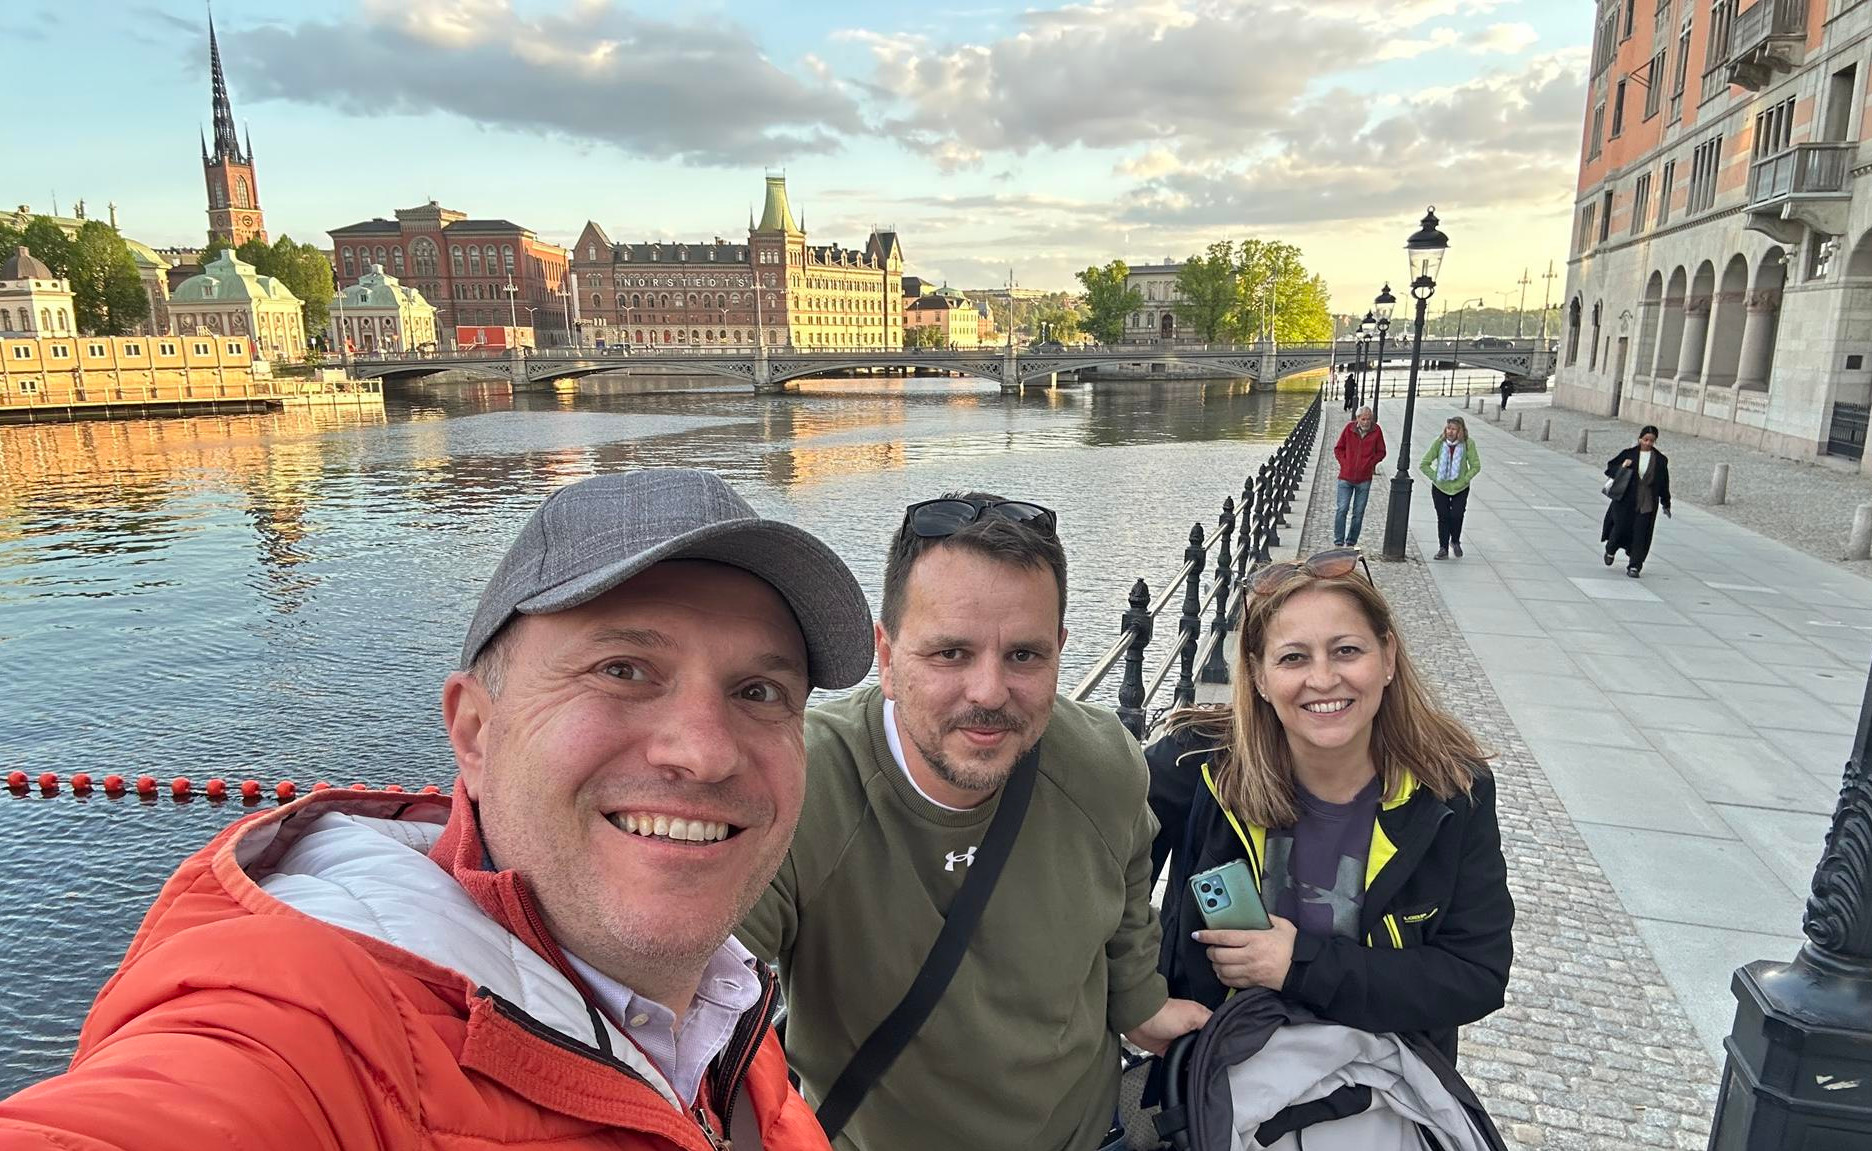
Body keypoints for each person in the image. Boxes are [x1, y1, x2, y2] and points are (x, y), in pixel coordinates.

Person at [0, 468, 877, 1151]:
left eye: (758, 691)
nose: (705, 749)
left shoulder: (724, 1011)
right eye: (623, 669)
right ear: (475, 732)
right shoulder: (310, 1033)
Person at [738, 492, 1210, 1151]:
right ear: (886, 656)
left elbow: (1127, 890)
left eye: (1024, 656)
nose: (989, 691)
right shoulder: (799, 786)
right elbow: (690, 978)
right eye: (951, 653)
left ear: (1060, 651)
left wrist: (1140, 1001)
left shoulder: (1102, 762)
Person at [1145, 549, 1513, 1064]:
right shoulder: (1196, 765)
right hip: (1218, 1079)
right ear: (1258, 676)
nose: (1322, 679)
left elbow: (1477, 975)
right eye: (1293, 658)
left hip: (1379, 1084)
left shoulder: (1452, 790)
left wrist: (1300, 965)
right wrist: (1136, 1001)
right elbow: (1089, 874)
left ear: (1387, 658)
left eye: (1346, 651)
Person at [1603, 424, 1673, 578]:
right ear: (1640, 438)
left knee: (1641, 533)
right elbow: (1610, 468)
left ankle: (1634, 565)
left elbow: (1664, 483)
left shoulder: (1660, 460)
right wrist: (1623, 466)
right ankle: (1610, 549)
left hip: (1647, 501)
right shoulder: (1628, 454)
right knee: (1620, 527)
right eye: (1646, 439)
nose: (1648, 443)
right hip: (1625, 500)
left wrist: (1666, 502)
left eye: (1651, 441)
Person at [1420, 416, 1481, 560]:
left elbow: (1476, 466)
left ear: (1460, 431)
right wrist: (1435, 477)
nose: (1450, 432)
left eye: (1454, 429)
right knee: (1443, 516)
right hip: (1440, 486)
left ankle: (1455, 541)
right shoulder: (1439, 443)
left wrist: (1464, 479)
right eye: (1448, 428)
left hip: (1460, 487)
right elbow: (1424, 463)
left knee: (1457, 515)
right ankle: (1443, 548)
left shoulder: (1468, 444)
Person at [1332, 405, 1386, 549]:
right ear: (1357, 419)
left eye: (1369, 419)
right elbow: (1338, 448)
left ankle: (1351, 541)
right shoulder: (1349, 429)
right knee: (1342, 509)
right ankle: (1338, 541)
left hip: (1364, 479)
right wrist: (1345, 463)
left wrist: (1370, 463)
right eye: (1363, 419)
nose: (1366, 422)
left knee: (1358, 512)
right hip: (1345, 477)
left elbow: (1381, 452)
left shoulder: (1376, 431)